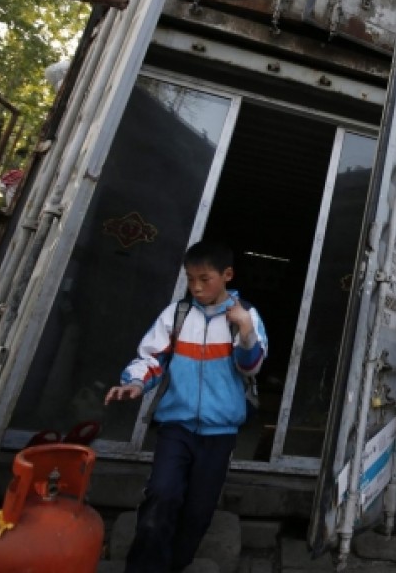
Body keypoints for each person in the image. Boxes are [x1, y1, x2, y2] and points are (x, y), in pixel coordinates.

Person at [105, 240, 268, 572]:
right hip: (175, 428)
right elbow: (151, 358)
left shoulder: (245, 316)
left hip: (220, 433)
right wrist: (135, 383)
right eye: (190, 278)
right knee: (161, 495)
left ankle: (175, 565)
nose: (196, 287)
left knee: (198, 510)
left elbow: (251, 367)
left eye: (204, 279)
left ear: (227, 275)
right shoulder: (177, 314)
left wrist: (246, 329)